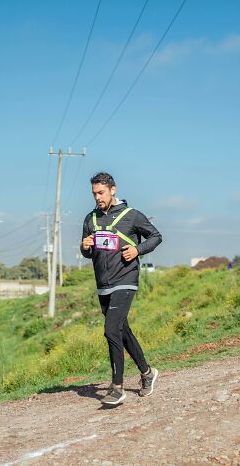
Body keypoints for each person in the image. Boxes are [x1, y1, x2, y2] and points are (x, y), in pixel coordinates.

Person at [80, 172, 162, 405]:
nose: (97, 197)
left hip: (126, 278)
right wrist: (84, 246)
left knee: (110, 328)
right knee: (121, 330)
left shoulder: (131, 215)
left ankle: (117, 386)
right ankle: (147, 373)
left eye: (101, 192)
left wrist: (138, 250)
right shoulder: (90, 219)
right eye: (94, 193)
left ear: (113, 190)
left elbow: (156, 237)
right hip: (103, 283)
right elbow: (88, 253)